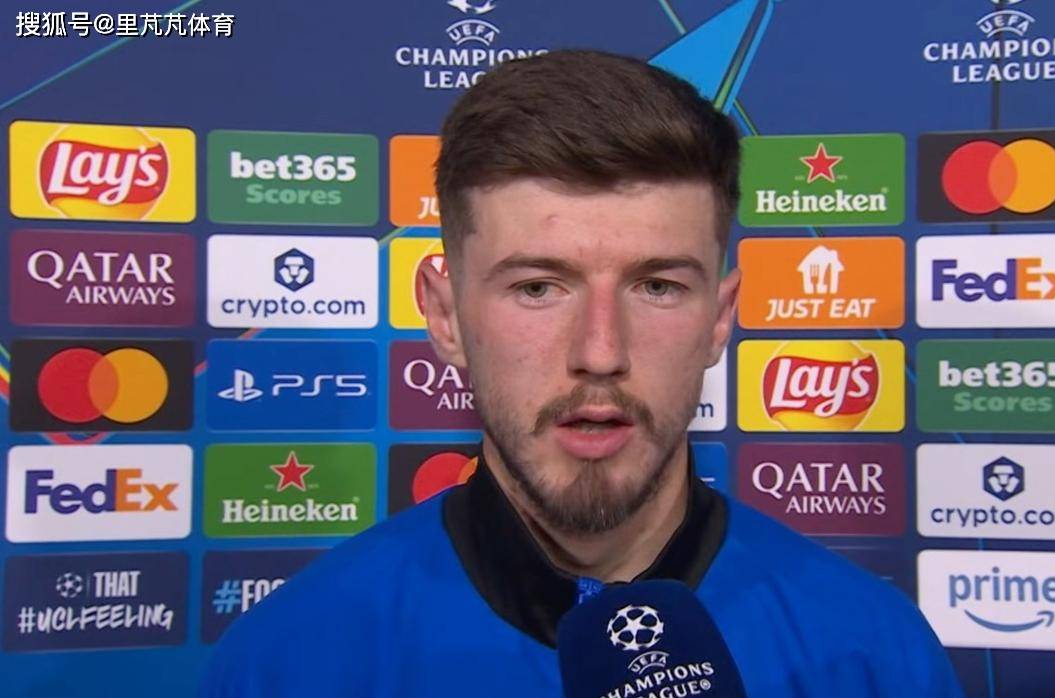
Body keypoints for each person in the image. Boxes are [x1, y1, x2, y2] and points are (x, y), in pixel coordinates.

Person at [200, 49, 963, 697]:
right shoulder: (285, 662)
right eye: (538, 287)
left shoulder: (871, 653)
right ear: (444, 314)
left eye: (657, 286)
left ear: (719, 318)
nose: (600, 352)